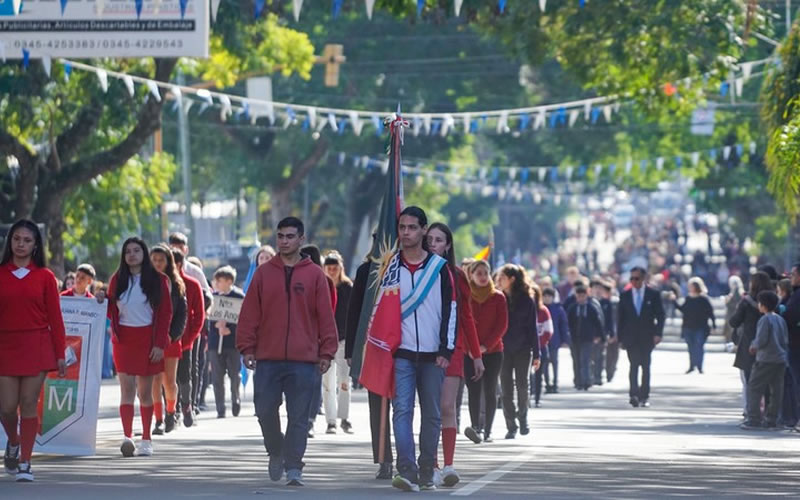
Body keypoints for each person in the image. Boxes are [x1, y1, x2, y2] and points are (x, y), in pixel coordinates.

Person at [237, 217, 338, 487]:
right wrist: (247, 347)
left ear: (301, 239)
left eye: (290, 236)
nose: (284, 241)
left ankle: (294, 466)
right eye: (280, 236)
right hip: (267, 358)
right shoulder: (263, 273)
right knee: (264, 410)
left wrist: (327, 351)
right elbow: (249, 314)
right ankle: (275, 450)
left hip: (304, 360)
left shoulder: (315, 274)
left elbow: (325, 316)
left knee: (299, 417)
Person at [390, 207, 456, 492]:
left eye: (412, 227)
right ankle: (406, 469)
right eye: (402, 227)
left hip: (433, 354)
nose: (406, 233)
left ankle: (427, 468)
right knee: (401, 410)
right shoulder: (389, 266)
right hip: (401, 352)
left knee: (431, 413)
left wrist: (446, 349)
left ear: (423, 230)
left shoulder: (439, 269)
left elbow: (450, 310)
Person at [0, 220, 66, 482]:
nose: (21, 244)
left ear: (35, 245)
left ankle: (26, 461)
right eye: (17, 239)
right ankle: (13, 442)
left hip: (37, 345)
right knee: (6, 407)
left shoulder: (46, 277)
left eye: (27, 240)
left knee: (28, 403)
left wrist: (60, 353)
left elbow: (56, 318)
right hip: (5, 346)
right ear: (10, 242)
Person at [426, 222, 483, 488]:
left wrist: (476, 353)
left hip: (454, 350)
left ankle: (448, 464)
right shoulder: (416, 273)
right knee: (432, 409)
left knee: (448, 407)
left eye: (438, 240)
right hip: (424, 349)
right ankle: (432, 465)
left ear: (448, 245)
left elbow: (467, 317)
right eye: (430, 239)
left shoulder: (457, 276)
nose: (433, 244)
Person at [107, 237, 173, 457]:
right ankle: (128, 437)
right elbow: (110, 309)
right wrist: (100, 299)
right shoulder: (117, 280)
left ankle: (146, 438)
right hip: (123, 340)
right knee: (126, 390)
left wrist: (160, 344)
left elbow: (165, 314)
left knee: (145, 393)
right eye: (127, 252)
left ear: (144, 254)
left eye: (136, 250)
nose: (132, 255)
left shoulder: (158, 280)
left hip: (148, 339)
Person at [345, 247, 393, 480]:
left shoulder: (411, 269)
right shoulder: (366, 271)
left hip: (404, 346)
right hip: (372, 346)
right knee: (378, 407)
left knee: (405, 408)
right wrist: (351, 350)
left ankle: (411, 457)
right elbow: (354, 311)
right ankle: (384, 459)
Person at [464, 260, 508, 443]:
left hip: (493, 352)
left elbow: (502, 325)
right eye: (478, 273)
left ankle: (488, 430)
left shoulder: (498, 297)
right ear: (471, 276)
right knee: (473, 389)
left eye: (485, 273)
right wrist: (471, 349)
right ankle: (476, 428)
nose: (482, 277)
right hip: (469, 353)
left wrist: (485, 346)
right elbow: (462, 323)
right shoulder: (466, 296)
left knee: (490, 390)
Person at [496, 264, 541, 439]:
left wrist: (537, 354)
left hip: (523, 349)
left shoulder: (527, 300)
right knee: (506, 389)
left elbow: (532, 328)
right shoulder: (498, 298)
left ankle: (523, 418)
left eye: (502, 278)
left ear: (512, 279)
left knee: (523, 386)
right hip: (502, 350)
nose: (499, 281)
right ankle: (511, 425)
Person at [149, 245, 187, 435]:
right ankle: (158, 420)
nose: (157, 263)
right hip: (150, 340)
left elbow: (182, 315)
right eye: (154, 260)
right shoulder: (144, 283)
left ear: (168, 262)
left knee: (169, 381)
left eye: (161, 260)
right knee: (155, 380)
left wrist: (173, 336)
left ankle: (171, 411)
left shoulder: (177, 284)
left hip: (170, 340)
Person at [301, 244, 337, 438]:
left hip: (315, 339)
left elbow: (328, 312)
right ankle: (301, 419)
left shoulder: (324, 282)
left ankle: (309, 420)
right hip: (297, 340)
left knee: (314, 382)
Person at [617, 267, 665, 408]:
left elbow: (660, 315)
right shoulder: (625, 295)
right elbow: (620, 318)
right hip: (630, 338)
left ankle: (644, 396)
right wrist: (620, 338)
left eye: (636, 278)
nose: (633, 281)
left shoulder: (653, 294)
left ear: (643, 279)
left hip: (647, 337)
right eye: (631, 278)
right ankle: (633, 394)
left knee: (645, 366)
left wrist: (658, 333)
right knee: (633, 366)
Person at [741, 291, 788, 430]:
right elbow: (785, 339)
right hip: (780, 359)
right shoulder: (780, 319)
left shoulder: (764, 320)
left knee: (754, 387)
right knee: (776, 390)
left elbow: (761, 339)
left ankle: (754, 418)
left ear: (763, 305)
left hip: (765, 359)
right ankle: (772, 419)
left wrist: (753, 346)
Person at [730, 271, 772, 418]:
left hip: (749, 345)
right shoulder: (773, 300)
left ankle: (753, 414)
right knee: (768, 383)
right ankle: (768, 413)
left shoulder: (746, 301)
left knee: (750, 382)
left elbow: (734, 321)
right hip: (769, 345)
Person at [322, 252, 354, 435]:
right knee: (327, 383)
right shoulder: (321, 286)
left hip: (343, 339)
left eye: (335, 268)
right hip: (326, 340)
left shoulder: (347, 287)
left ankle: (344, 417)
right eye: (329, 268)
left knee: (344, 381)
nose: (332, 272)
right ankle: (331, 420)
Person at [208, 266, 245, 419]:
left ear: (229, 281)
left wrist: (231, 329)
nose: (217, 283)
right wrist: (216, 325)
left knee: (234, 374)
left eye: (220, 280)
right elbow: (208, 318)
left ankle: (235, 399)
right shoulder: (213, 297)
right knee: (217, 377)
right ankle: (220, 408)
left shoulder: (239, 297)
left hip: (233, 343)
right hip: (215, 343)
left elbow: (244, 319)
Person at [673, 277, 716, 374]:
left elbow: (710, 313)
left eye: (691, 286)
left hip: (701, 327)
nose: (689, 288)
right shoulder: (688, 298)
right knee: (691, 347)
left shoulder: (703, 299)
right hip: (688, 327)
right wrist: (674, 301)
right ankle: (692, 366)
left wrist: (714, 325)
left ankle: (699, 366)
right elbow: (682, 309)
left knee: (699, 346)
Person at [566, 284, 604, 391]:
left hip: (587, 338)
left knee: (585, 359)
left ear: (586, 295)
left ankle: (586, 381)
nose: (581, 298)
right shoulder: (572, 308)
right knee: (576, 360)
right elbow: (567, 323)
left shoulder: (591, 308)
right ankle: (578, 381)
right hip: (575, 338)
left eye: (583, 296)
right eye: (579, 296)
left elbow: (597, 323)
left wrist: (600, 336)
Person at [781, 264, 800, 432]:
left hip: (796, 345)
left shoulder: (797, 296)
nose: (791, 277)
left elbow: (789, 317)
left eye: (793, 274)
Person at [542, 287, 569, 394]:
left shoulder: (558, 309)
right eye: (545, 296)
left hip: (555, 340)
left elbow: (563, 325)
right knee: (544, 364)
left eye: (549, 296)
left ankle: (555, 383)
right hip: (543, 342)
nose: (547, 298)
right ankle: (547, 383)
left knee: (554, 362)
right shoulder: (540, 309)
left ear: (553, 297)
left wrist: (565, 339)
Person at [530, 283, 553, 407]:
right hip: (525, 348)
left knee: (539, 375)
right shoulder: (524, 310)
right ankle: (527, 397)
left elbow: (548, 331)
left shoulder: (543, 311)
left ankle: (537, 398)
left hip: (541, 347)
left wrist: (539, 344)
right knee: (526, 376)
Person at [724, 275, 745, 343]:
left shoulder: (738, 293)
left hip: (734, 315)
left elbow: (732, 304)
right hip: (734, 314)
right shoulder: (739, 292)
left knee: (733, 331)